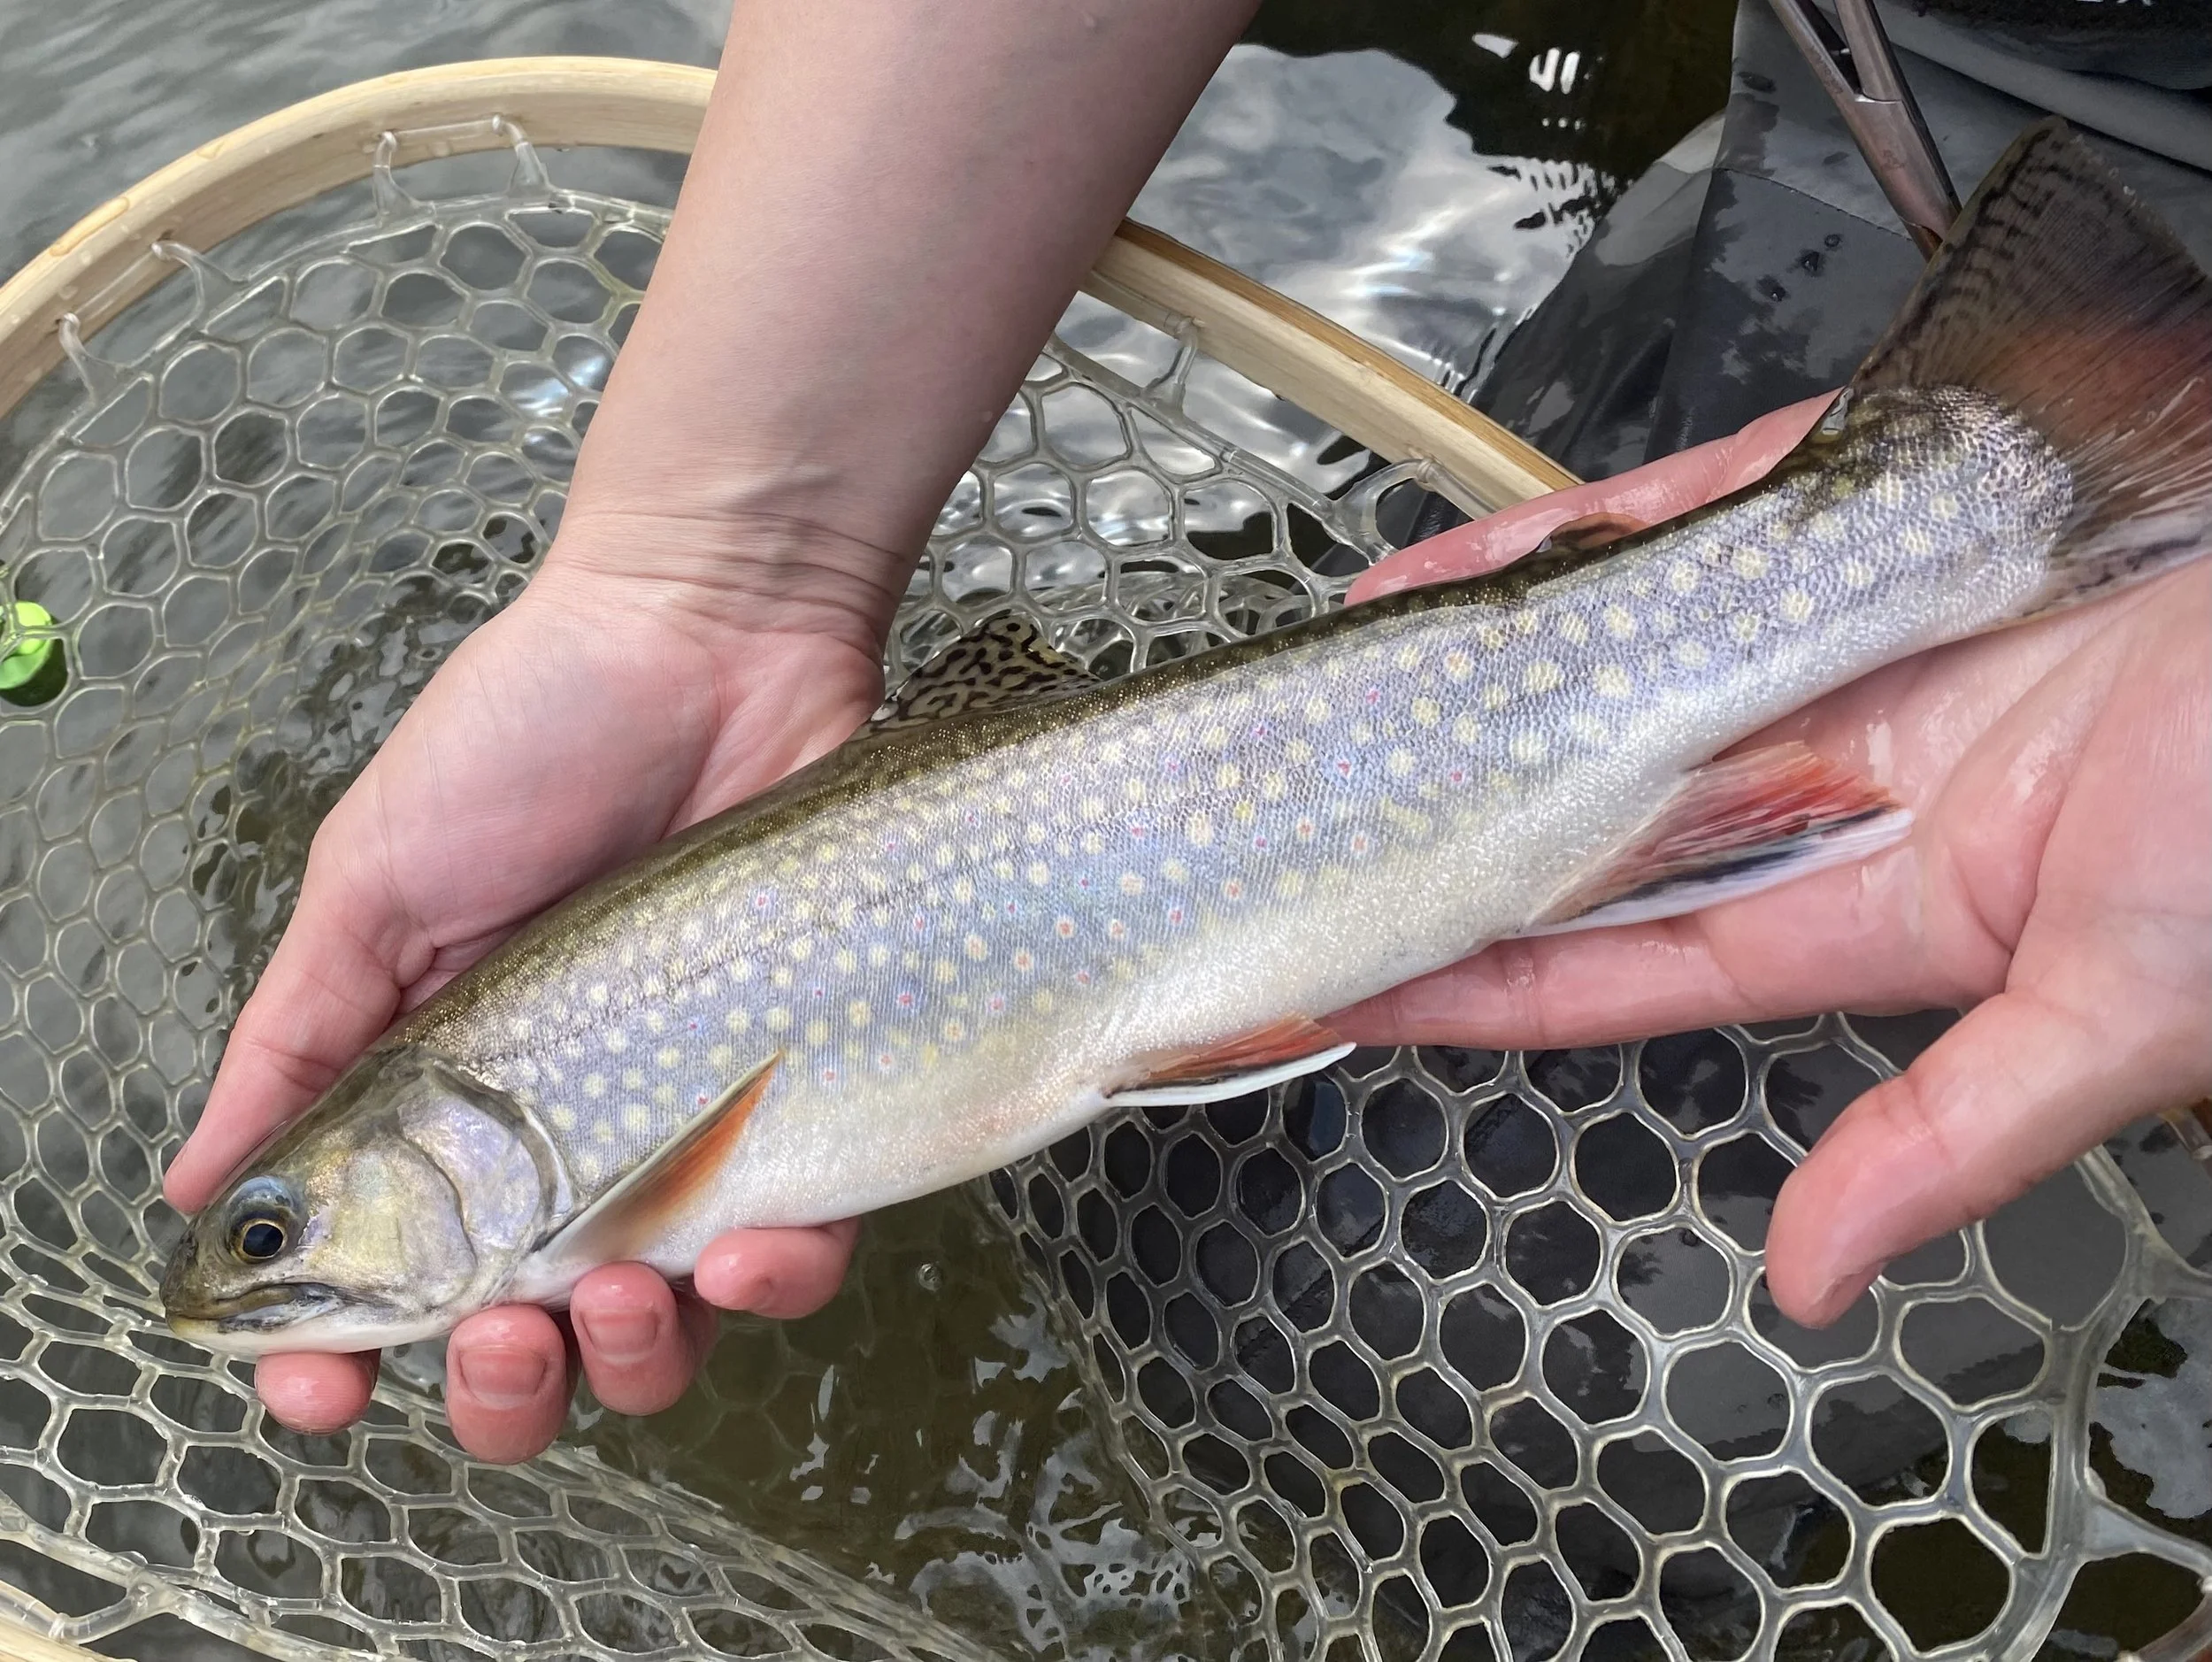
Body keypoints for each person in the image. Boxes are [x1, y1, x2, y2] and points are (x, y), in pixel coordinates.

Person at [161, 0, 2211, 1466]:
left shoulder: (591, 1159)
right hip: (1929, 59)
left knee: (1596, 1386)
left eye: (278, 1233)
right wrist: (704, 575)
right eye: (274, 1236)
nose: (270, 1266)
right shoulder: (578, 1150)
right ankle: (2023, 471)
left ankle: (2017, 478)